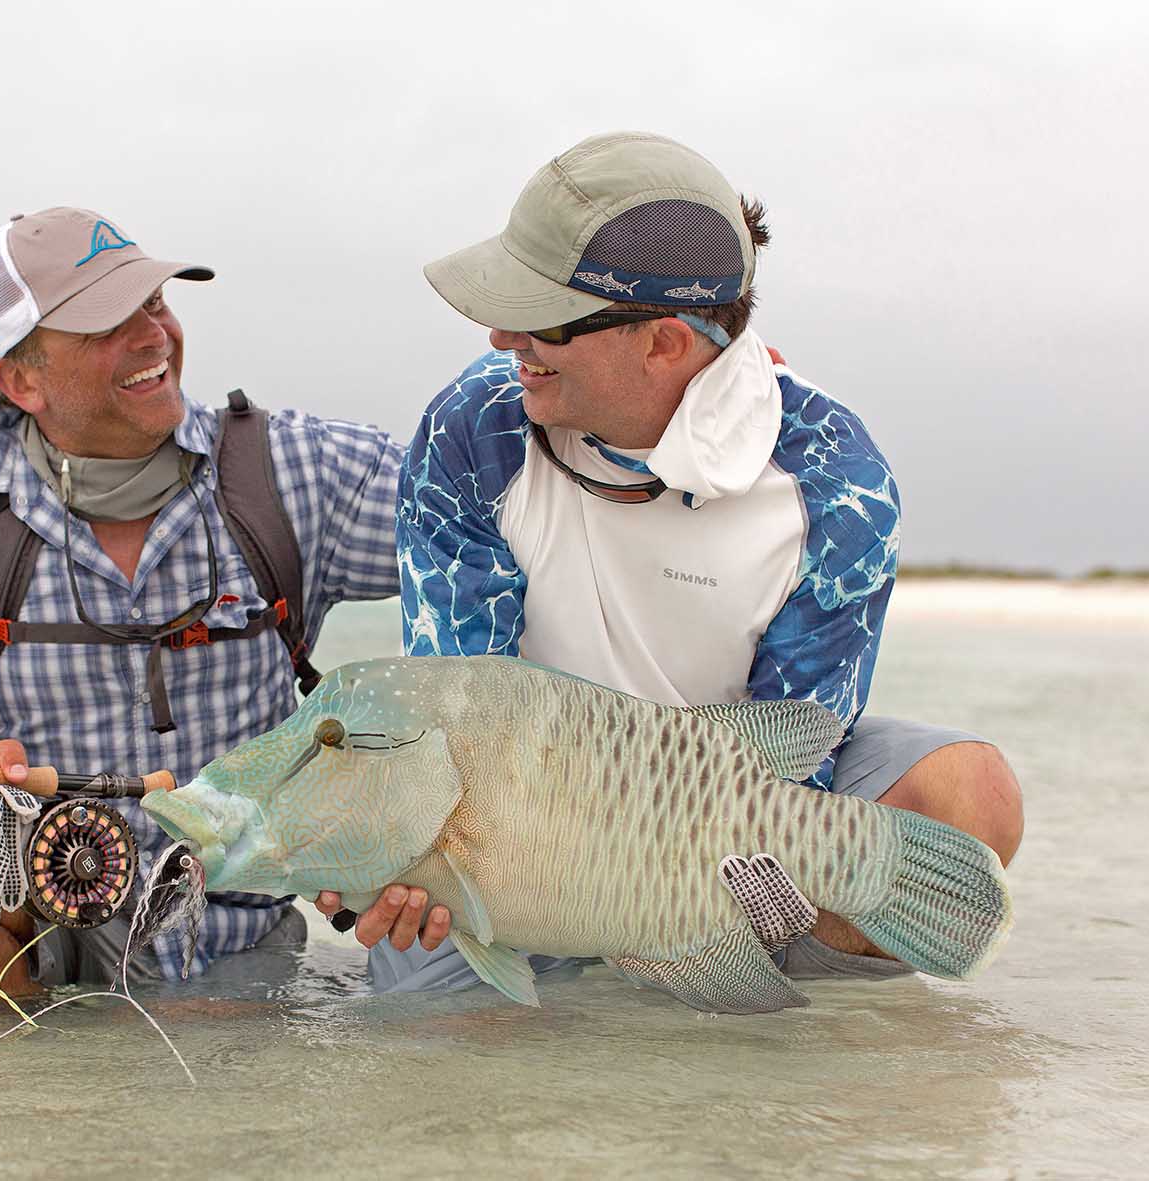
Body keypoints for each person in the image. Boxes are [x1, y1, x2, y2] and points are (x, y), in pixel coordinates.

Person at [317, 131, 1024, 993]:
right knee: (450, 1080)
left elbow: (791, 756)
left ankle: (762, 1017)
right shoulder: (473, 428)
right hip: (516, 824)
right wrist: (397, 861)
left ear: (665, 344)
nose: (503, 336)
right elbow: (458, 722)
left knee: (968, 796)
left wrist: (709, 926)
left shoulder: (838, 485)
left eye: (542, 318)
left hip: (724, 815)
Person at [0, 207, 402, 1009]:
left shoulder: (296, 472)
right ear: (19, 380)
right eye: (105, 324)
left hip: (236, 932)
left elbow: (490, 519)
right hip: (38, 911)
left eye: (155, 303)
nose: (152, 337)